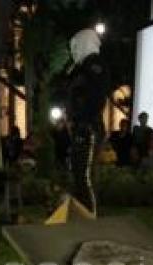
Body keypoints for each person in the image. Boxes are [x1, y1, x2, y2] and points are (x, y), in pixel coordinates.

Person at [64, 28, 109, 216]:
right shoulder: (82, 68)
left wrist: (82, 118)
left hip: (88, 126)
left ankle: (90, 217)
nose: (73, 50)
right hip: (82, 126)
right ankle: (82, 214)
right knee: (79, 175)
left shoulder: (93, 66)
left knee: (84, 176)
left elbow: (96, 98)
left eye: (75, 45)